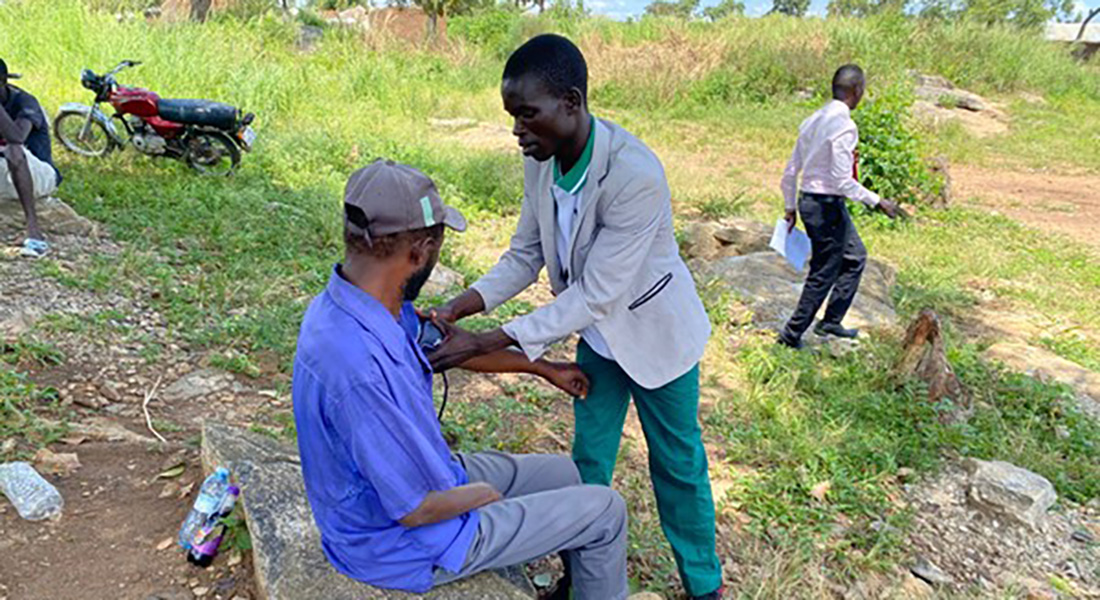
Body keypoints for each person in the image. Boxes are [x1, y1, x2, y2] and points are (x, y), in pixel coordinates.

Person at [429, 35, 724, 600]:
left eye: (527, 115)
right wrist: (461, 305)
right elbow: (525, 253)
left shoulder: (633, 173)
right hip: (600, 342)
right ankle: (585, 573)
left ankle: (704, 587)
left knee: (678, 468)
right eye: (512, 116)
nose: (517, 130)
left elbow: (598, 293)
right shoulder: (542, 161)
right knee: (587, 461)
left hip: (655, 333)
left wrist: (487, 340)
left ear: (570, 102)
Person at [292, 159, 631, 600]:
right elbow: (414, 509)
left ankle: (578, 586)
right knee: (607, 512)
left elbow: (447, 347)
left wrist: (542, 368)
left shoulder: (359, 303)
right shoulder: (357, 372)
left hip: (427, 480)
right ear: (420, 251)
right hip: (401, 544)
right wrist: (481, 495)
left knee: (568, 472)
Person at [777, 64, 899, 349]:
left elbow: (790, 171)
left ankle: (831, 320)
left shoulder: (813, 119)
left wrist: (790, 208)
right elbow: (843, 181)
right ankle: (790, 335)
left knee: (855, 257)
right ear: (857, 91)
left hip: (811, 202)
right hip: (825, 206)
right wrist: (878, 201)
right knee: (824, 271)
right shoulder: (845, 126)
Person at [0, 59, 61, 258]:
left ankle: (34, 230)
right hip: (6, 175)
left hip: (39, 176)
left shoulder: (24, 101)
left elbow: (16, 137)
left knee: (13, 150)